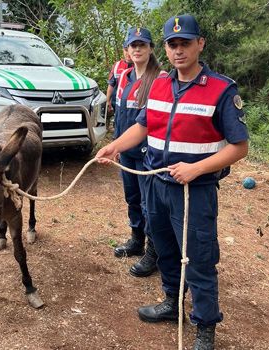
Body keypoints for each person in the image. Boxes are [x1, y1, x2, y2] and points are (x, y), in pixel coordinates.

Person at [96, 14, 248, 349]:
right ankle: (171, 303)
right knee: (164, 247)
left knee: (198, 258)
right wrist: (114, 146)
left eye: (185, 43)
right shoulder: (160, 84)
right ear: (165, 48)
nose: (178, 50)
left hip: (195, 191)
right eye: (172, 44)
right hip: (156, 183)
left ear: (200, 44)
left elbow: (239, 147)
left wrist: (196, 169)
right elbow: (143, 126)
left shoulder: (222, 90)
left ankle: (205, 326)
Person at [111, 27, 163, 278]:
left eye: (142, 45)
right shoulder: (124, 76)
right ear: (127, 50)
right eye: (133, 45)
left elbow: (154, 122)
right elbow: (120, 113)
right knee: (132, 199)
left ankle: (154, 252)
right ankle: (136, 240)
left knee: (148, 204)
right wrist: (117, 145)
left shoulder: (160, 79)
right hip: (127, 153)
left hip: (147, 155)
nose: (137, 49)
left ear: (151, 48)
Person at [106, 45, 133, 122]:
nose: (128, 53)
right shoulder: (117, 65)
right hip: (118, 103)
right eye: (126, 50)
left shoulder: (140, 65)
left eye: (130, 50)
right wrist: (108, 101)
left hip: (134, 105)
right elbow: (111, 84)